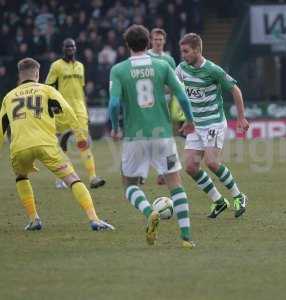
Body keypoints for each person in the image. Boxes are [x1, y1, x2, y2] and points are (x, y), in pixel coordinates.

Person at [0, 58, 114, 231]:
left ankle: (34, 219)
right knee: (73, 179)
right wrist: (79, 133)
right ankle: (94, 219)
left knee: (21, 176)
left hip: (19, 147)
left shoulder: (9, 97)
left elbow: (1, 127)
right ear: (37, 74)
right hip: (46, 144)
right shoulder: (47, 90)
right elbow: (67, 111)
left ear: (20, 75)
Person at [108, 25, 195, 248]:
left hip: (134, 136)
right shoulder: (162, 65)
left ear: (127, 45)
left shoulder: (118, 70)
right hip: (163, 134)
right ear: (148, 43)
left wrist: (115, 127)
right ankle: (185, 237)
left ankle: (149, 212)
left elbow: (114, 103)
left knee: (130, 185)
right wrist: (190, 120)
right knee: (175, 184)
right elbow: (182, 95)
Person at [176, 33, 249, 219]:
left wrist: (241, 118)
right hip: (196, 124)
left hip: (213, 122)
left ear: (197, 50)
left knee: (211, 162)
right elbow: (172, 88)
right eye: (182, 51)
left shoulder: (213, 70)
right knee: (191, 167)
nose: (183, 55)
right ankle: (218, 201)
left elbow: (235, 90)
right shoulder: (182, 69)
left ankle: (238, 196)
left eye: (186, 51)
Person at [45, 38, 105, 189]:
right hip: (63, 110)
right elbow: (49, 88)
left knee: (83, 142)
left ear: (76, 48)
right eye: (67, 47)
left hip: (79, 111)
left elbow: (81, 89)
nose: (70, 49)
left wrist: (86, 109)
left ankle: (92, 177)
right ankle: (62, 178)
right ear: (63, 49)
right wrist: (53, 106)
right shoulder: (56, 66)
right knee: (62, 145)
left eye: (72, 46)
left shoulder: (80, 66)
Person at [147, 27, 186, 185]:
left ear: (164, 41)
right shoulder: (146, 56)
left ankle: (166, 171)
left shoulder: (169, 60)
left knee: (165, 137)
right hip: (148, 103)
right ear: (151, 40)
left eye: (160, 39)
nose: (157, 42)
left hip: (165, 103)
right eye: (155, 39)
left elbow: (174, 82)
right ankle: (162, 170)